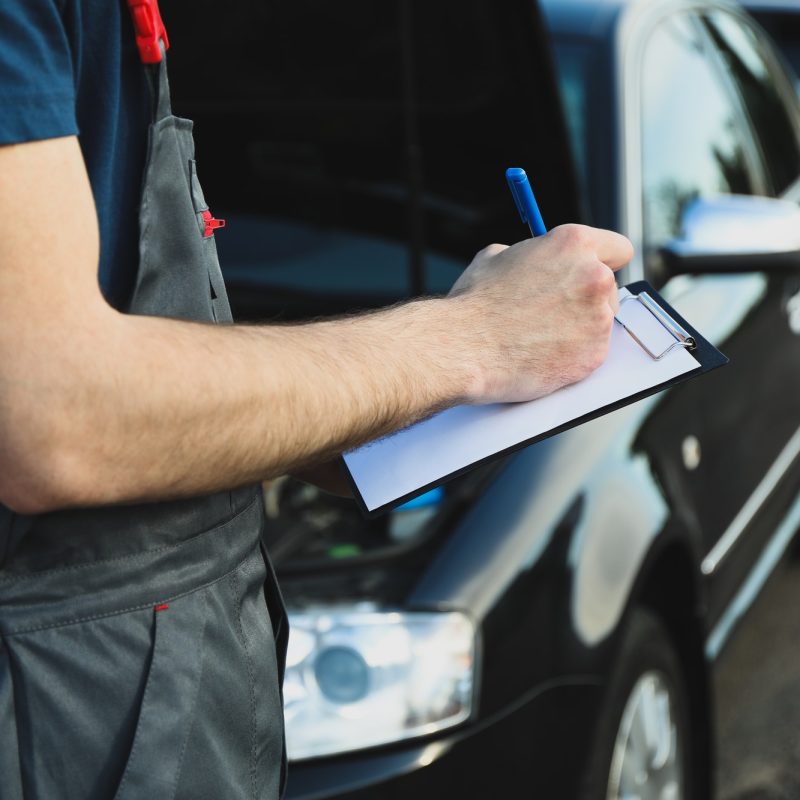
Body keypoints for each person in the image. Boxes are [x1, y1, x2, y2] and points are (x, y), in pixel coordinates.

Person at [0, 1, 633, 798]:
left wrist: (363, 421)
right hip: (64, 735)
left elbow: (127, 390)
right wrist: (477, 336)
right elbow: (52, 415)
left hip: (167, 716)